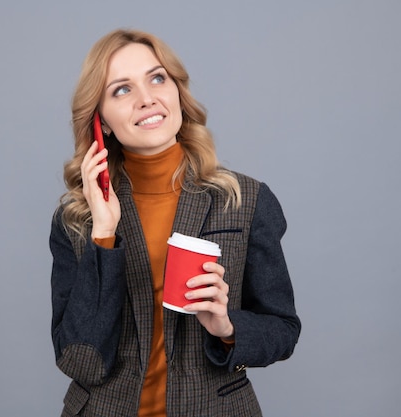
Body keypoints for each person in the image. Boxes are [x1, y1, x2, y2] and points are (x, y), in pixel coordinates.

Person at [49, 28, 301, 417]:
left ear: (177, 91)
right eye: (121, 90)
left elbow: (283, 330)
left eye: (156, 78)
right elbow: (79, 361)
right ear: (102, 123)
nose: (146, 98)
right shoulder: (76, 220)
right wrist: (103, 233)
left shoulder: (245, 200)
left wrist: (227, 327)